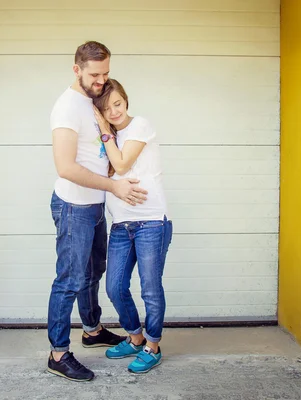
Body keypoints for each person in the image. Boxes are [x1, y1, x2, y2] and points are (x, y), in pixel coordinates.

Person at [47, 41, 148, 382]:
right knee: (70, 279)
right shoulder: (66, 108)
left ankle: (91, 329)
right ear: (76, 69)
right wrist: (115, 187)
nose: (102, 80)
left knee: (93, 272)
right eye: (94, 74)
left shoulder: (93, 101)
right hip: (73, 206)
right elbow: (65, 167)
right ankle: (58, 353)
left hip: (93, 206)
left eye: (106, 73)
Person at [92, 79, 173, 374]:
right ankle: (135, 337)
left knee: (150, 288)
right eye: (106, 107)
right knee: (114, 286)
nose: (114, 111)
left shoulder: (140, 125)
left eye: (117, 103)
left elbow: (123, 165)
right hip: (121, 225)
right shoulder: (107, 138)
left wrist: (103, 128)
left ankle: (153, 345)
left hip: (151, 221)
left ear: (126, 100)